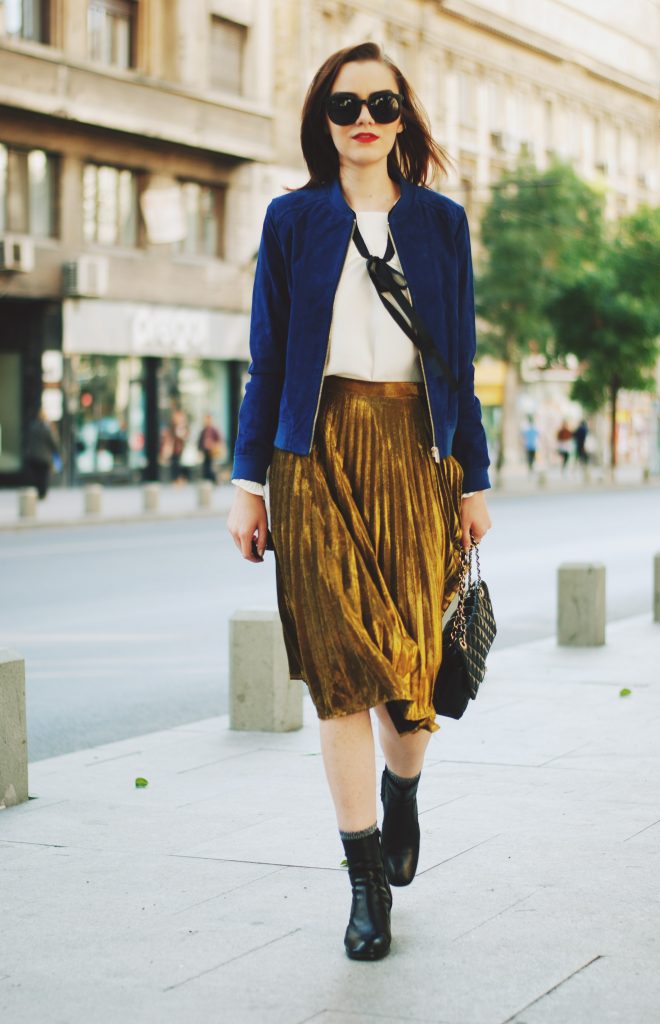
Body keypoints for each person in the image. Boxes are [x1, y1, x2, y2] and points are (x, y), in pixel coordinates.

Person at [227, 42, 492, 961]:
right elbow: (268, 360)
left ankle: (403, 791)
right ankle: (364, 880)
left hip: (416, 454)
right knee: (340, 678)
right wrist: (248, 483)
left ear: (403, 117)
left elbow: (458, 357)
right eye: (346, 106)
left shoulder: (442, 223)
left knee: (410, 691)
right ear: (324, 121)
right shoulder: (292, 219)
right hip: (316, 455)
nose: (364, 118)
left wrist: (475, 480)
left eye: (381, 102)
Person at [25, 409, 60, 499]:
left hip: (34, 456)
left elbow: (29, 441)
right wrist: (57, 451)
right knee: (43, 476)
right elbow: (53, 442)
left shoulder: (33, 427)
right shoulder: (47, 429)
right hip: (44, 457)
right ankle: (42, 494)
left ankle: (38, 492)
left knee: (37, 476)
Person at [197, 413, 222, 482]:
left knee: (212, 467)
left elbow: (219, 441)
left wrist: (213, 445)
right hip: (205, 452)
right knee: (205, 467)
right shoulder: (203, 430)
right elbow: (199, 442)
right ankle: (207, 480)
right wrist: (200, 450)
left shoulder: (214, 430)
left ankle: (214, 480)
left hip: (213, 452)